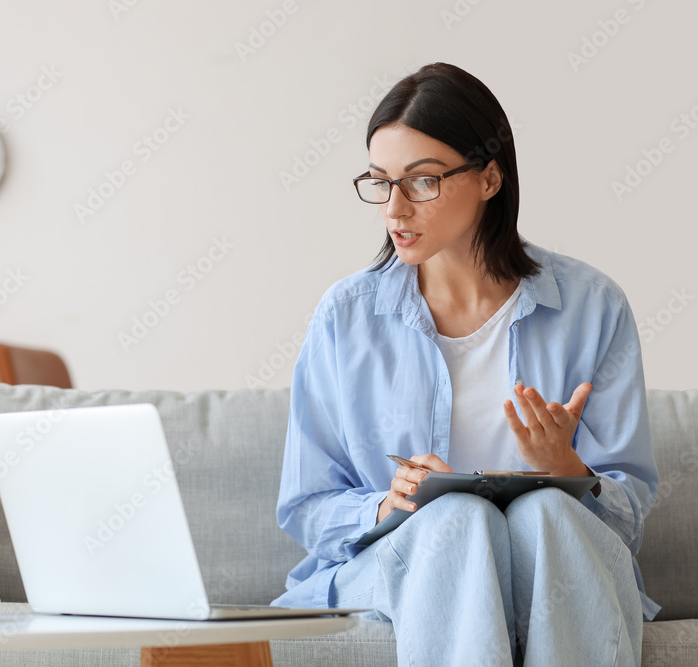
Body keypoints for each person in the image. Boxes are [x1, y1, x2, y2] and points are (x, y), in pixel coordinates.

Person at [272, 62, 661, 666]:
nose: (394, 208)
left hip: (553, 555)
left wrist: (568, 468)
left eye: (422, 181)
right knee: (457, 519)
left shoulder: (594, 306)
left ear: (488, 178)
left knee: (550, 512)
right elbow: (306, 504)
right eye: (381, 181)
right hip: (402, 561)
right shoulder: (345, 317)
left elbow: (628, 519)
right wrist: (387, 503)